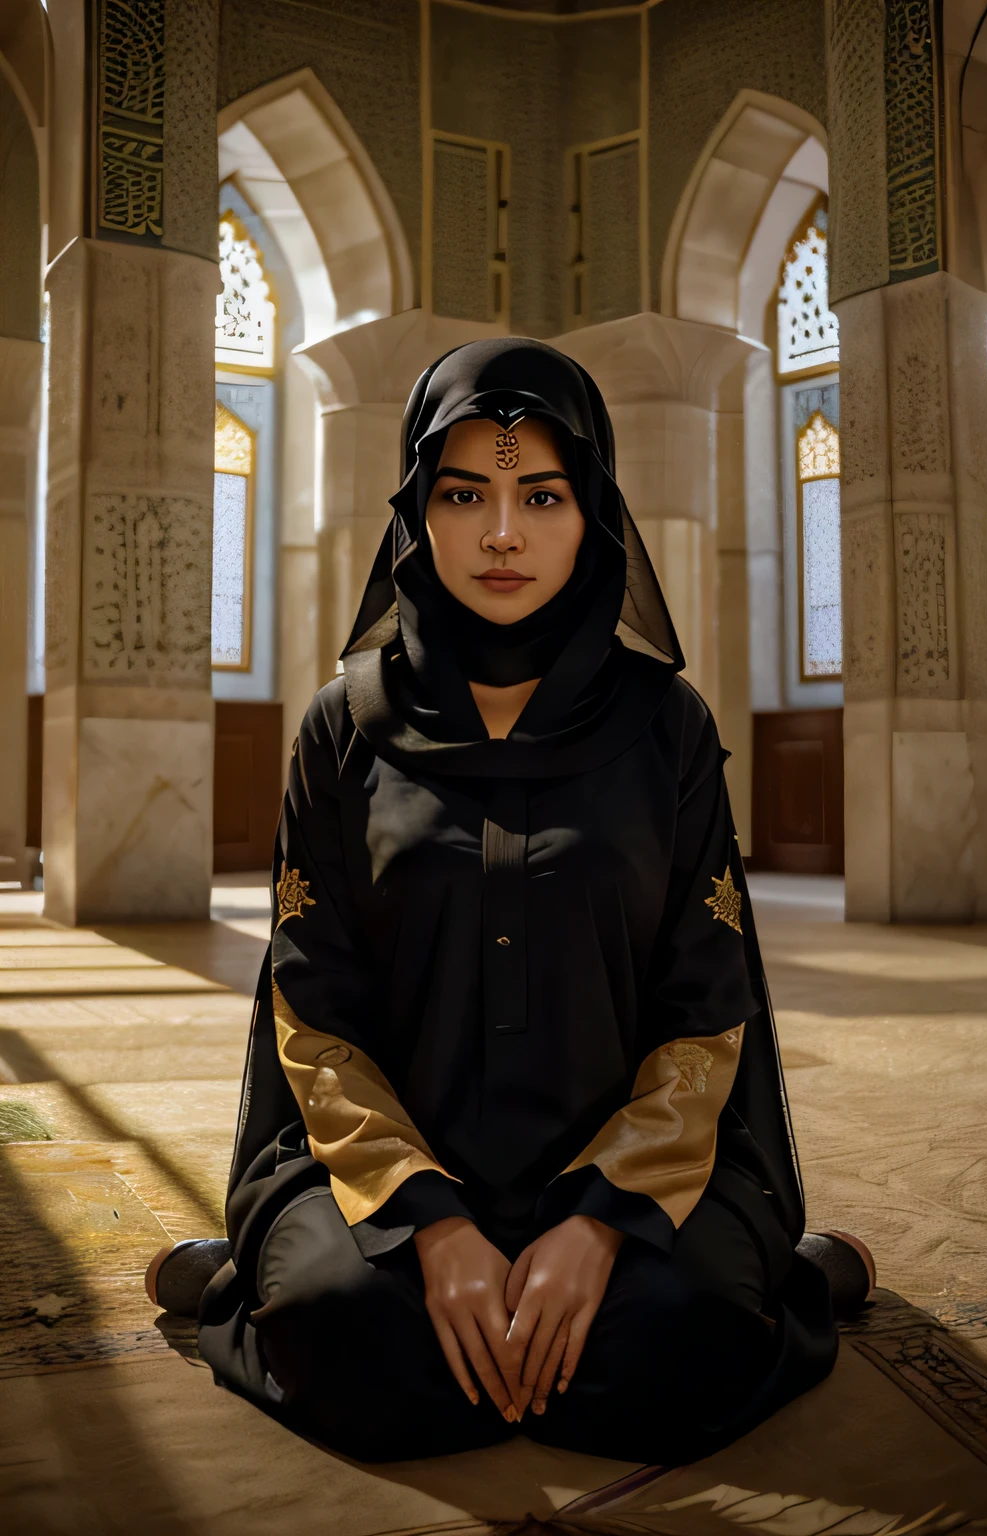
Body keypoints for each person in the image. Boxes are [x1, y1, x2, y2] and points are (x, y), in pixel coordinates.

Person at [147, 338, 871, 1465]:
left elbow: (705, 1004)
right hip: (386, 1170)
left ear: (594, 514)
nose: (500, 534)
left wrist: (598, 1224)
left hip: (633, 1171)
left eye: (541, 496)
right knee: (344, 1323)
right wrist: (431, 1225)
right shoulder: (342, 729)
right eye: (461, 495)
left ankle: (771, 1270)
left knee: (680, 1327)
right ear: (416, 512)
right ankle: (284, 1269)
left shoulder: (665, 726)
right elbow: (312, 1005)